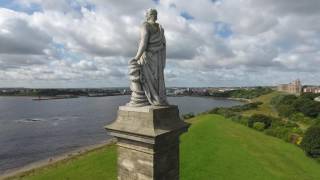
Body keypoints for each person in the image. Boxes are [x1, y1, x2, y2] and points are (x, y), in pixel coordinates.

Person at [127, 8, 168, 106]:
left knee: (146, 79)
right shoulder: (160, 28)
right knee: (155, 79)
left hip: (147, 57)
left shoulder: (145, 25)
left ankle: (145, 99)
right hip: (157, 58)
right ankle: (156, 97)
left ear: (149, 15)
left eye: (147, 14)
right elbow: (162, 44)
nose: (146, 16)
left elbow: (143, 42)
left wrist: (136, 57)